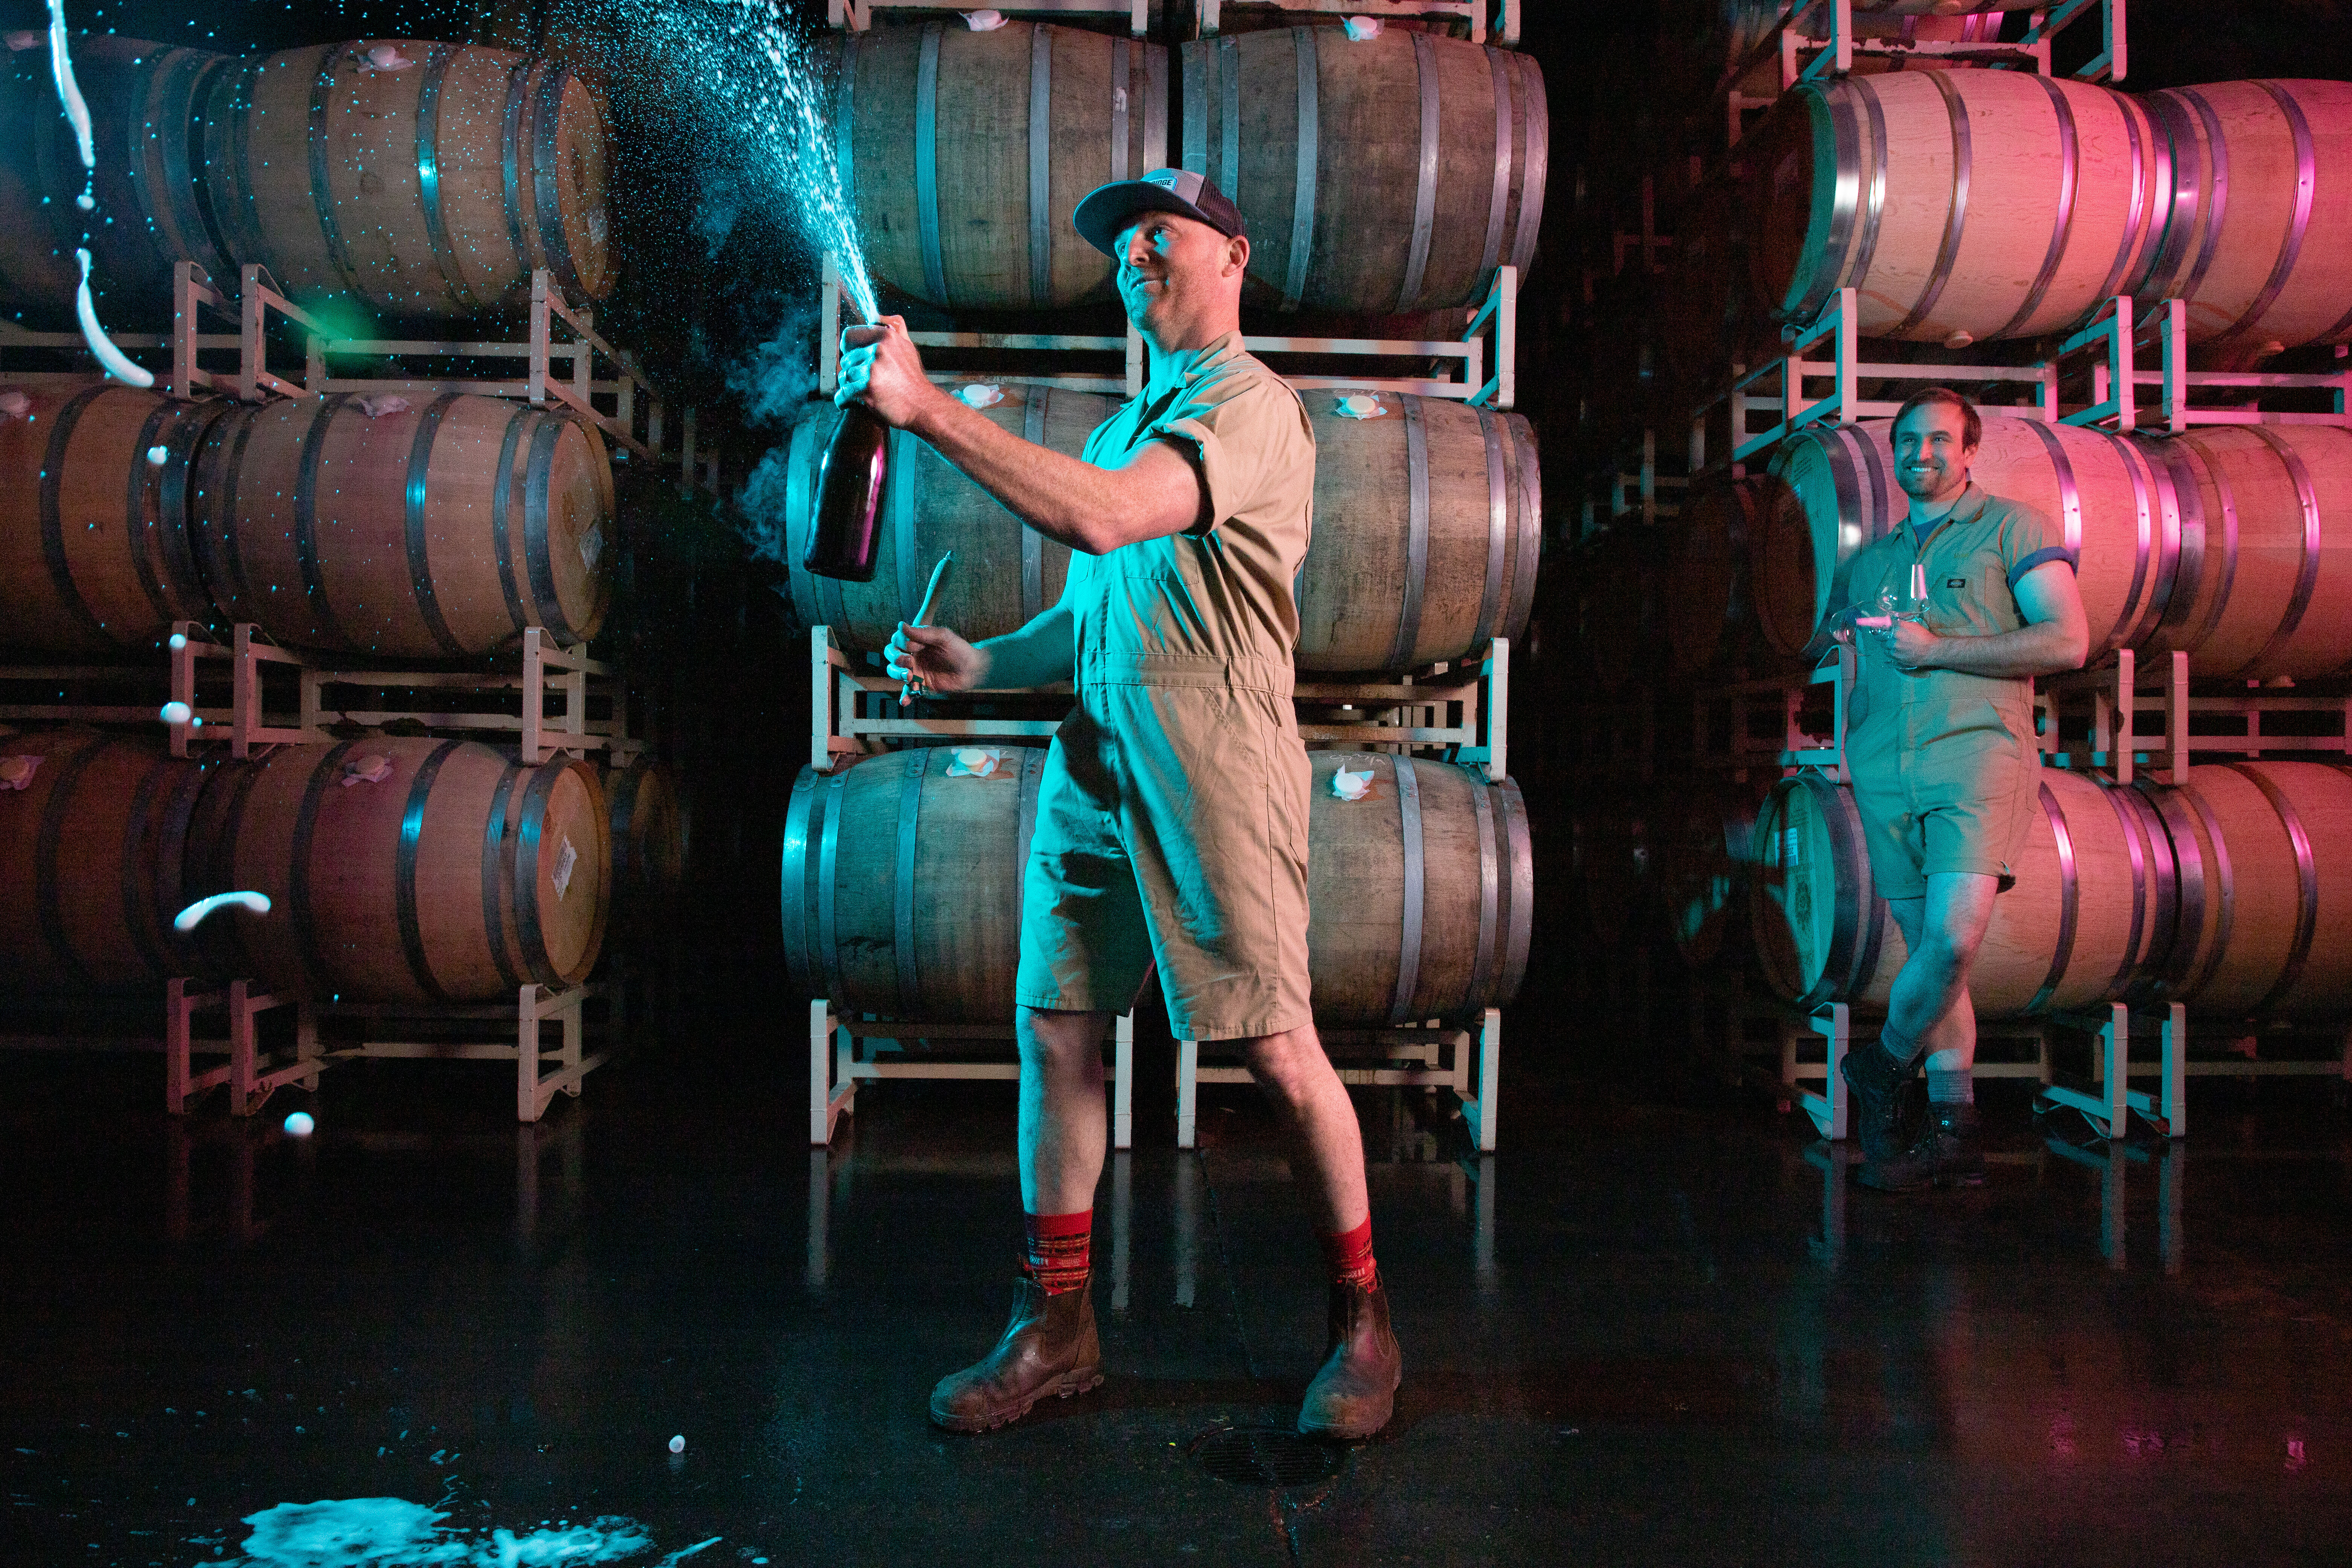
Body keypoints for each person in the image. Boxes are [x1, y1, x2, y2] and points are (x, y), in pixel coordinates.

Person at [833, 168, 1401, 1438]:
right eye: (1123, 246)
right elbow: (1094, 617)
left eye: (1163, 236)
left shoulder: (1249, 407)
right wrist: (983, 663)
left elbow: (1107, 527)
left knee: (1275, 1046)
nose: (1136, 256)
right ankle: (1059, 1328)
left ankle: (1365, 1318)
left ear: (1233, 258)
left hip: (1215, 759)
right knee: (1057, 1035)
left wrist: (924, 411)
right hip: (1094, 759)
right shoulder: (1121, 422)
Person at [1824, 388, 2089, 1191]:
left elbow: (2068, 640)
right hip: (1884, 769)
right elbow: (1844, 653)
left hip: (1976, 758)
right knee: (1938, 965)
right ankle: (1953, 1130)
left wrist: (1939, 650)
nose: (1921, 454)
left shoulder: (2015, 530)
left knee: (1956, 938)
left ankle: (1882, 1066)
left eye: (1940, 440)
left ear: (1970, 451)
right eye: (1907, 441)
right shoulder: (1870, 561)